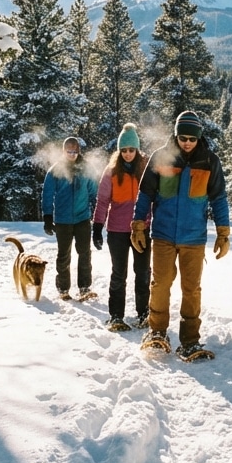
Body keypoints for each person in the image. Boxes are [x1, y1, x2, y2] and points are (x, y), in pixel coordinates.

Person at [130, 110, 230, 360]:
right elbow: (145, 195)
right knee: (160, 284)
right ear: (176, 135)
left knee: (191, 289)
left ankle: (190, 341)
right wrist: (138, 225)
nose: (187, 142)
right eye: (183, 137)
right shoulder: (160, 157)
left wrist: (223, 233)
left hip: (194, 237)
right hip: (163, 234)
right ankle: (157, 332)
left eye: (192, 139)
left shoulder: (209, 161)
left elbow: (219, 199)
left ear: (199, 138)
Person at [93, 123, 151, 332]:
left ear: (137, 149)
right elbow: (102, 201)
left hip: (142, 229)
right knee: (119, 273)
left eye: (131, 150)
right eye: (124, 150)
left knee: (142, 273)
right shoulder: (111, 172)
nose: (127, 154)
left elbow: (155, 198)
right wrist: (97, 226)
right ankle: (116, 316)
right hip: (117, 230)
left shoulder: (146, 169)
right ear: (119, 151)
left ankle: (144, 313)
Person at [41, 136, 99, 301]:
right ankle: (63, 288)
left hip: (82, 218)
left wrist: (98, 212)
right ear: (63, 151)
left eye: (75, 152)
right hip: (63, 220)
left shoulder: (86, 168)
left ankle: (84, 287)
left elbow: (94, 191)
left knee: (84, 253)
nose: (72, 155)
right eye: (69, 152)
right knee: (63, 255)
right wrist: (47, 217)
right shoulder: (55, 170)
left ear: (79, 151)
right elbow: (47, 195)